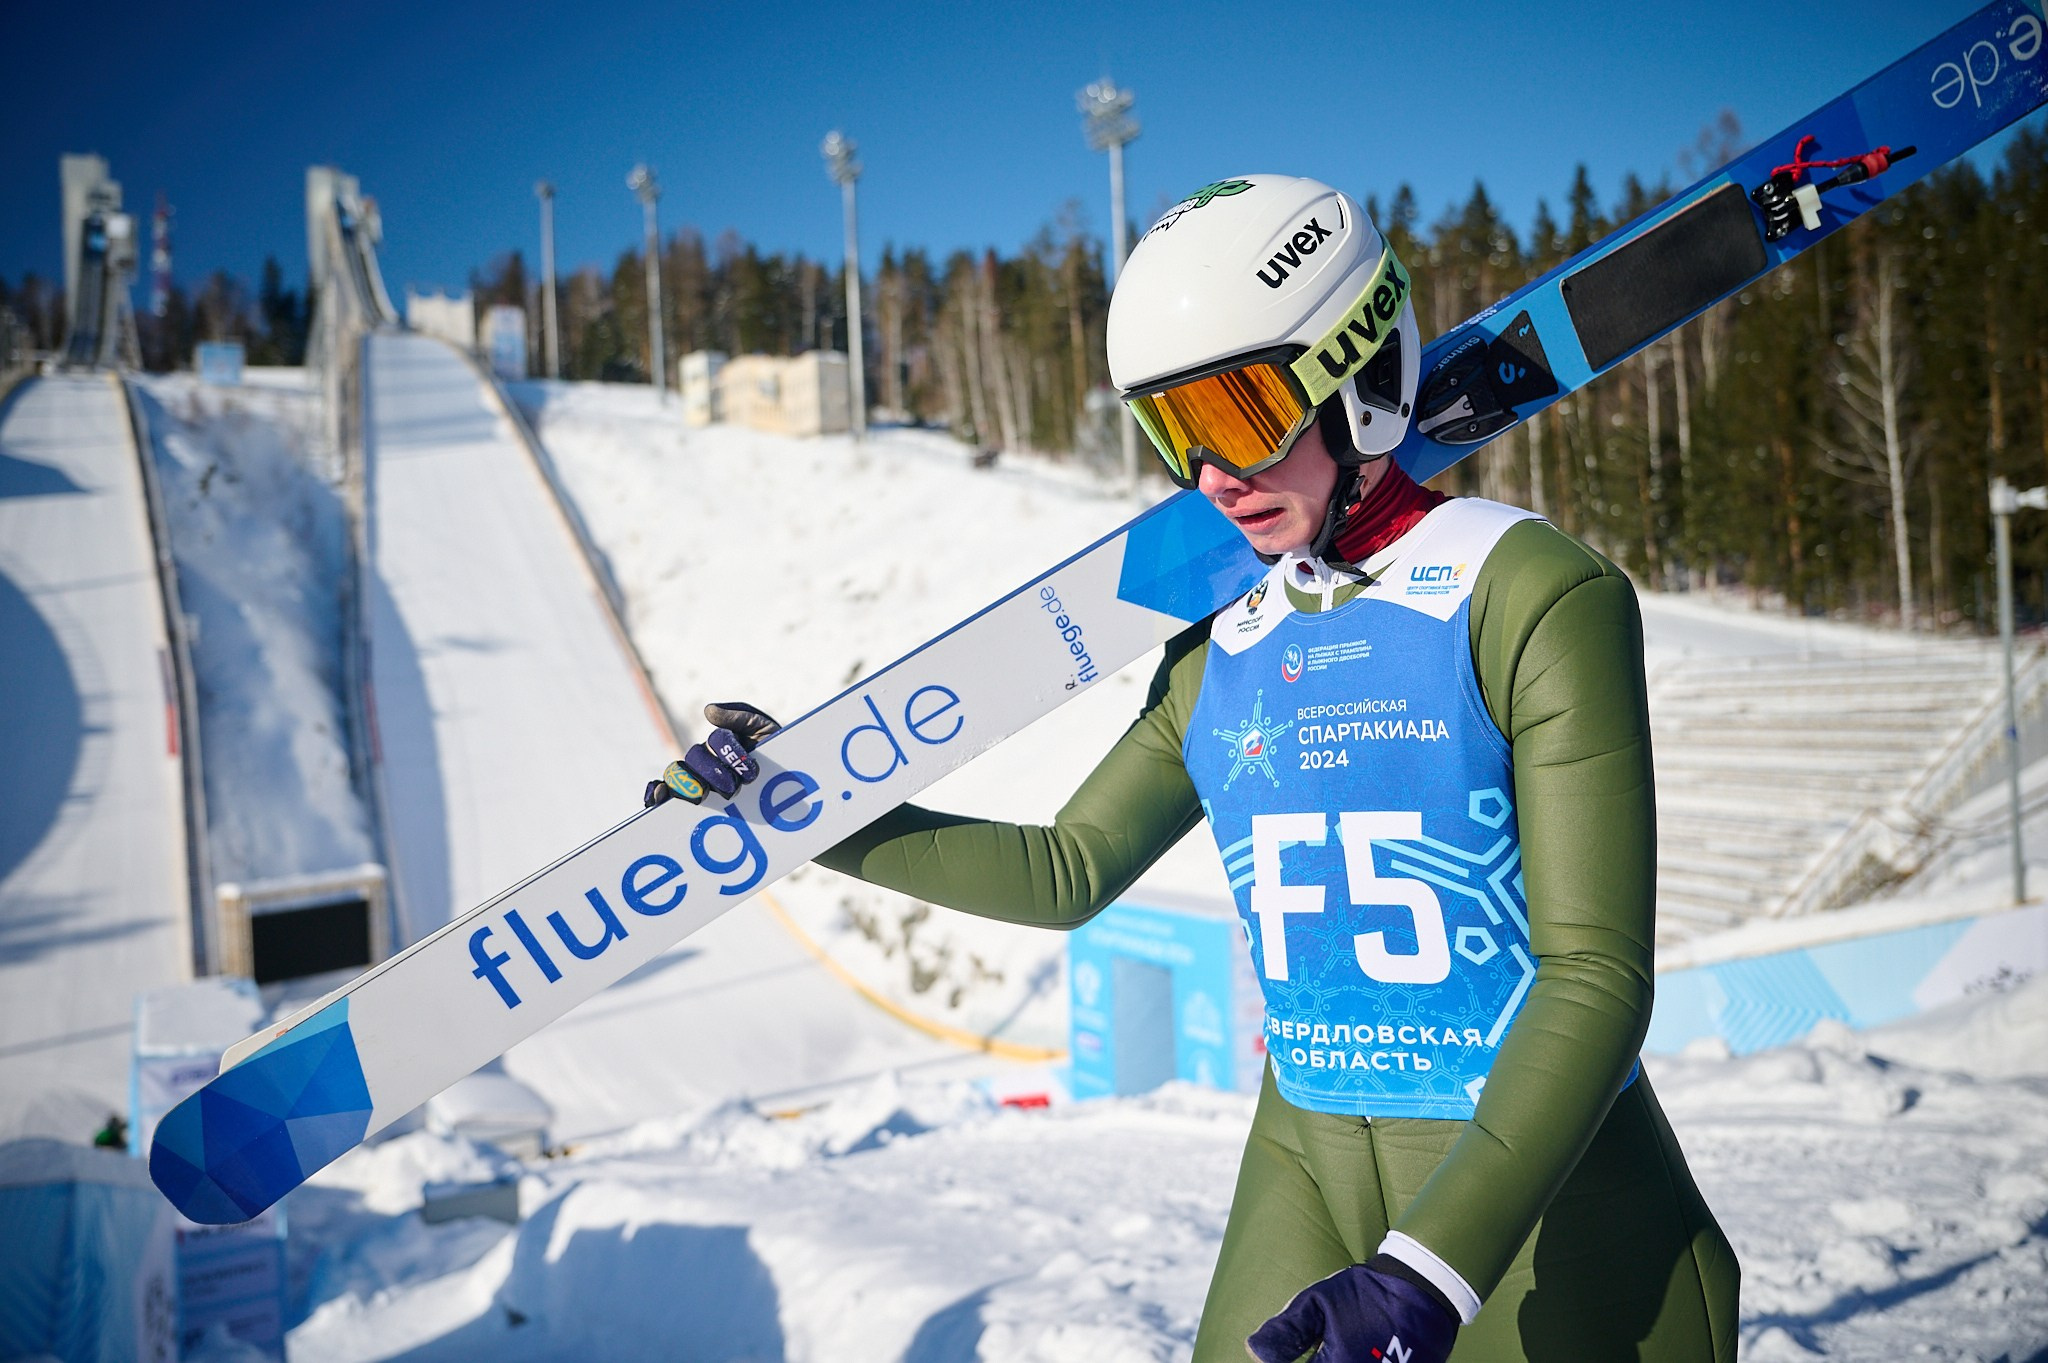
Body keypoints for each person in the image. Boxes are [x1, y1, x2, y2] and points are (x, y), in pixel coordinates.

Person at [650, 174, 1738, 1362]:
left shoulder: (1528, 590)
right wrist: (802, 803)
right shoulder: (1224, 642)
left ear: (1361, 376)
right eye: (1176, 430)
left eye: (1239, 412)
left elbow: (1593, 977)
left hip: (1545, 1212)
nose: (1212, 473)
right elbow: (1064, 871)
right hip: (1307, 1162)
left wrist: (1429, 1273)